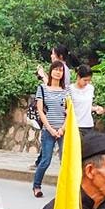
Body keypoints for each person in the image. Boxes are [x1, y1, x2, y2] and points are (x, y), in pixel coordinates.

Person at [32, 61, 69, 198]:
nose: (58, 72)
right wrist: (51, 129)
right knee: (46, 160)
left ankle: (64, 188)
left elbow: (69, 112)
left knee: (64, 161)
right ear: (51, 71)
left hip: (63, 131)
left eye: (61, 70)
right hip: (48, 131)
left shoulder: (66, 90)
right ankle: (36, 186)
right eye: (56, 69)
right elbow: (40, 111)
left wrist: (62, 129)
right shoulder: (42, 88)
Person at [70, 65, 105, 130]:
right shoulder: (70, 89)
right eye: (85, 80)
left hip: (89, 125)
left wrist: (96, 108)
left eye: (89, 80)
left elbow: (86, 106)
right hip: (74, 125)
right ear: (78, 77)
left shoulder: (90, 88)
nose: (87, 82)